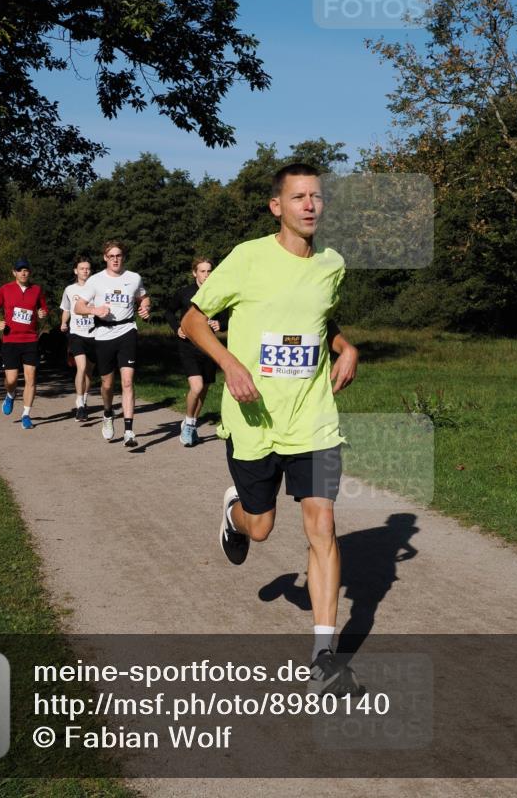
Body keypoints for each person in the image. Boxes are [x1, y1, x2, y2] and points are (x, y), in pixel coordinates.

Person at [181, 163, 360, 695]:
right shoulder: (248, 258)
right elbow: (191, 321)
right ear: (276, 207)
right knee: (261, 527)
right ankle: (234, 515)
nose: (310, 204)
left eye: (317, 196)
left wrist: (346, 346)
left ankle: (323, 657)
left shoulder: (332, 264)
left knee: (322, 526)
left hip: (313, 420)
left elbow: (318, 320)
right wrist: (231, 364)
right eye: (298, 196)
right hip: (255, 418)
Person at [74, 240, 151, 448]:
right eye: (111, 256)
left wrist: (145, 307)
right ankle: (108, 413)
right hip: (103, 334)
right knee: (107, 384)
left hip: (127, 331)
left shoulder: (133, 278)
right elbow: (78, 306)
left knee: (127, 381)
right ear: (105, 258)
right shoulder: (95, 280)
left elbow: (143, 297)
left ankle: (129, 431)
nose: (115, 259)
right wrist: (94, 310)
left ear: (122, 257)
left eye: (118, 256)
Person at [165, 257, 226, 447]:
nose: (206, 275)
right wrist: (177, 328)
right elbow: (169, 311)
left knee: (204, 389)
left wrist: (220, 324)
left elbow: (228, 316)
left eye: (209, 271)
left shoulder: (219, 293)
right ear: (194, 273)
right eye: (202, 271)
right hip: (188, 346)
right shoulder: (185, 293)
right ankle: (190, 425)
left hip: (208, 347)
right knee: (197, 387)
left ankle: (190, 422)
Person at [0, 258, 48, 430]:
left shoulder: (36, 290)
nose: (23, 273)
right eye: (20, 270)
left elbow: (44, 308)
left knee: (31, 378)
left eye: (26, 270)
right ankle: (10, 394)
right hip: (10, 340)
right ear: (14, 272)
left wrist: (42, 313)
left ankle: (26, 414)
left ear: (29, 272)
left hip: (30, 340)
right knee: (12, 379)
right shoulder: (5, 289)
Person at [60, 256, 104, 422]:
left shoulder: (97, 288)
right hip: (76, 333)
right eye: (82, 268)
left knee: (89, 371)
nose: (85, 271)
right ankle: (79, 405)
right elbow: (66, 309)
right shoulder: (70, 290)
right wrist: (64, 322)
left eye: (88, 268)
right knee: (81, 366)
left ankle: (84, 402)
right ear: (75, 271)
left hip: (94, 333)